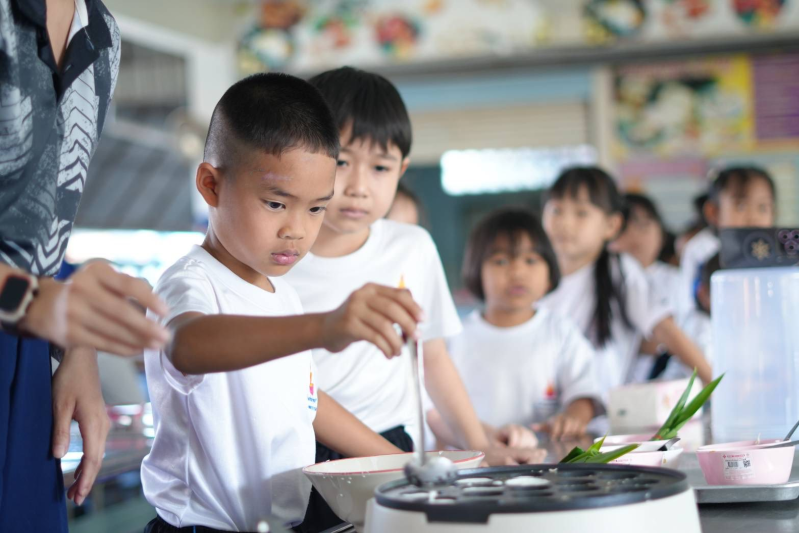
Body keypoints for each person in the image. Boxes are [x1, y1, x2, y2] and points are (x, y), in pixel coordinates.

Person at [141, 73, 424, 533]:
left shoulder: (284, 296)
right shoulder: (190, 282)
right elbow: (186, 345)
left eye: (315, 208)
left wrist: (406, 465)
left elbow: (308, 403)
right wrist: (323, 327)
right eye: (276, 204)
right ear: (211, 185)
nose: (297, 229)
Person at [284, 66, 544, 531]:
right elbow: (292, 390)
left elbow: (433, 358)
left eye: (380, 168)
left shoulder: (412, 247)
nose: (359, 186)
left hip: (394, 442)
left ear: (401, 170)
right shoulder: (280, 258)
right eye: (341, 162)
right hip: (301, 456)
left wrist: (481, 448)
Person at [0, 1, 171, 530]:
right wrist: (32, 301)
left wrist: (77, 342)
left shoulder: (98, 34)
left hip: (26, 350)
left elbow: (38, 233)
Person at [538, 167, 711, 400]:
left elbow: (665, 329)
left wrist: (713, 384)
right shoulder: (532, 275)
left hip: (599, 413)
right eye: (556, 210)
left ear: (611, 225)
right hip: (539, 410)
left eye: (581, 213)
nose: (565, 223)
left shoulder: (618, 270)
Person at [448, 209, 602, 440]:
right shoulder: (455, 337)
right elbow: (439, 413)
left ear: (549, 273)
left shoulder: (559, 330)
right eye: (501, 261)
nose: (517, 272)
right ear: (476, 271)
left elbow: (585, 392)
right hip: (479, 455)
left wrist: (573, 417)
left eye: (531, 260)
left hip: (548, 455)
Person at [678, 166, 776, 322]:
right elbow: (688, 304)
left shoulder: (773, 250)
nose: (753, 216)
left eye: (763, 207)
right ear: (714, 212)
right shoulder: (700, 248)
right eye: (741, 206)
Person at [610, 193, 684, 380]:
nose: (635, 235)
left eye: (643, 225)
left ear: (661, 233)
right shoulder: (607, 279)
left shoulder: (677, 280)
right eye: (625, 228)